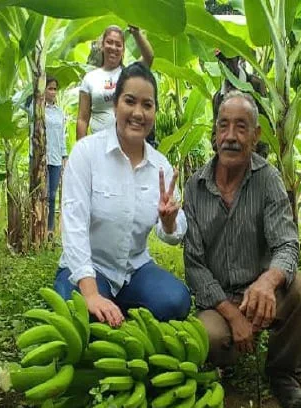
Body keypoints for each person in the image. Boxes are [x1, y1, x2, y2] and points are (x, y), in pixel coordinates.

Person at [183, 91, 301, 408]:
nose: (231, 136)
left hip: (260, 298)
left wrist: (268, 281)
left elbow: (287, 242)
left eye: (241, 127)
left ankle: (283, 374)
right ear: (215, 134)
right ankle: (227, 358)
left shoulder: (267, 179)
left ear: (255, 136)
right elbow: (195, 266)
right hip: (219, 301)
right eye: (224, 126)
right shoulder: (195, 187)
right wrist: (232, 316)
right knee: (209, 337)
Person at [55, 62, 190, 326]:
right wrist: (92, 294)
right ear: (116, 104)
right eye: (130, 101)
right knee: (79, 315)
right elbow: (73, 227)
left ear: (154, 112)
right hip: (88, 267)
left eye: (147, 105)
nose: (138, 113)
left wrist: (169, 221)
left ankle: (118, 309)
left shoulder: (160, 167)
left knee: (176, 302)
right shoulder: (86, 154)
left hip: (134, 270)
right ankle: (105, 305)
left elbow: (173, 233)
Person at [76, 25, 154, 140]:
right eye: (109, 42)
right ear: (102, 46)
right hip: (99, 146)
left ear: (123, 50)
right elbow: (82, 118)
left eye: (118, 45)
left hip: (126, 145)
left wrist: (136, 33)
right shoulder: (90, 78)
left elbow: (149, 57)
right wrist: (81, 150)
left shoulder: (129, 75)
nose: (113, 47)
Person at [211, 50, 270, 157]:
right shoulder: (218, 97)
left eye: (230, 60)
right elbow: (214, 135)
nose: (227, 65)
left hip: (255, 159)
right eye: (223, 62)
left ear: (238, 59)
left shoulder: (255, 86)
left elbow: (266, 128)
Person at [43, 75, 68, 235]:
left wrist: (64, 157)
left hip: (56, 158)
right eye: (50, 88)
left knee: (52, 196)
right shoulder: (36, 108)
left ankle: (49, 229)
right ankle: (36, 227)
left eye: (54, 89)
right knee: (40, 194)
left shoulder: (59, 112)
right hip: (40, 157)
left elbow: (61, 136)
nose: (53, 92)